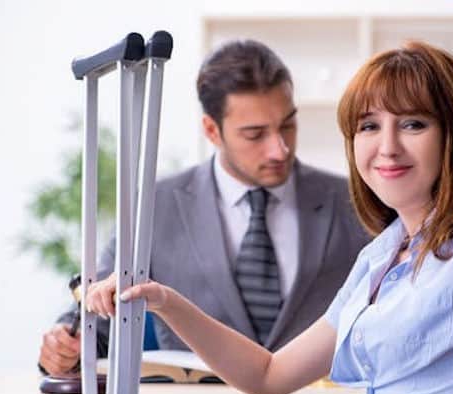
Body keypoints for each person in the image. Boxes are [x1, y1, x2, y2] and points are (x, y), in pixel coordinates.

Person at [86, 40, 453, 394]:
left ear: (452, 136)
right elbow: (268, 378)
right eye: (368, 126)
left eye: (413, 123)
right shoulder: (382, 255)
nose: (387, 146)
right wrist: (165, 300)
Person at [38, 39, 369, 376]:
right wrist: (65, 346)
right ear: (212, 130)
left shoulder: (354, 201)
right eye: (255, 135)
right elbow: (100, 314)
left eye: (287, 125)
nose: (279, 149)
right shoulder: (154, 205)